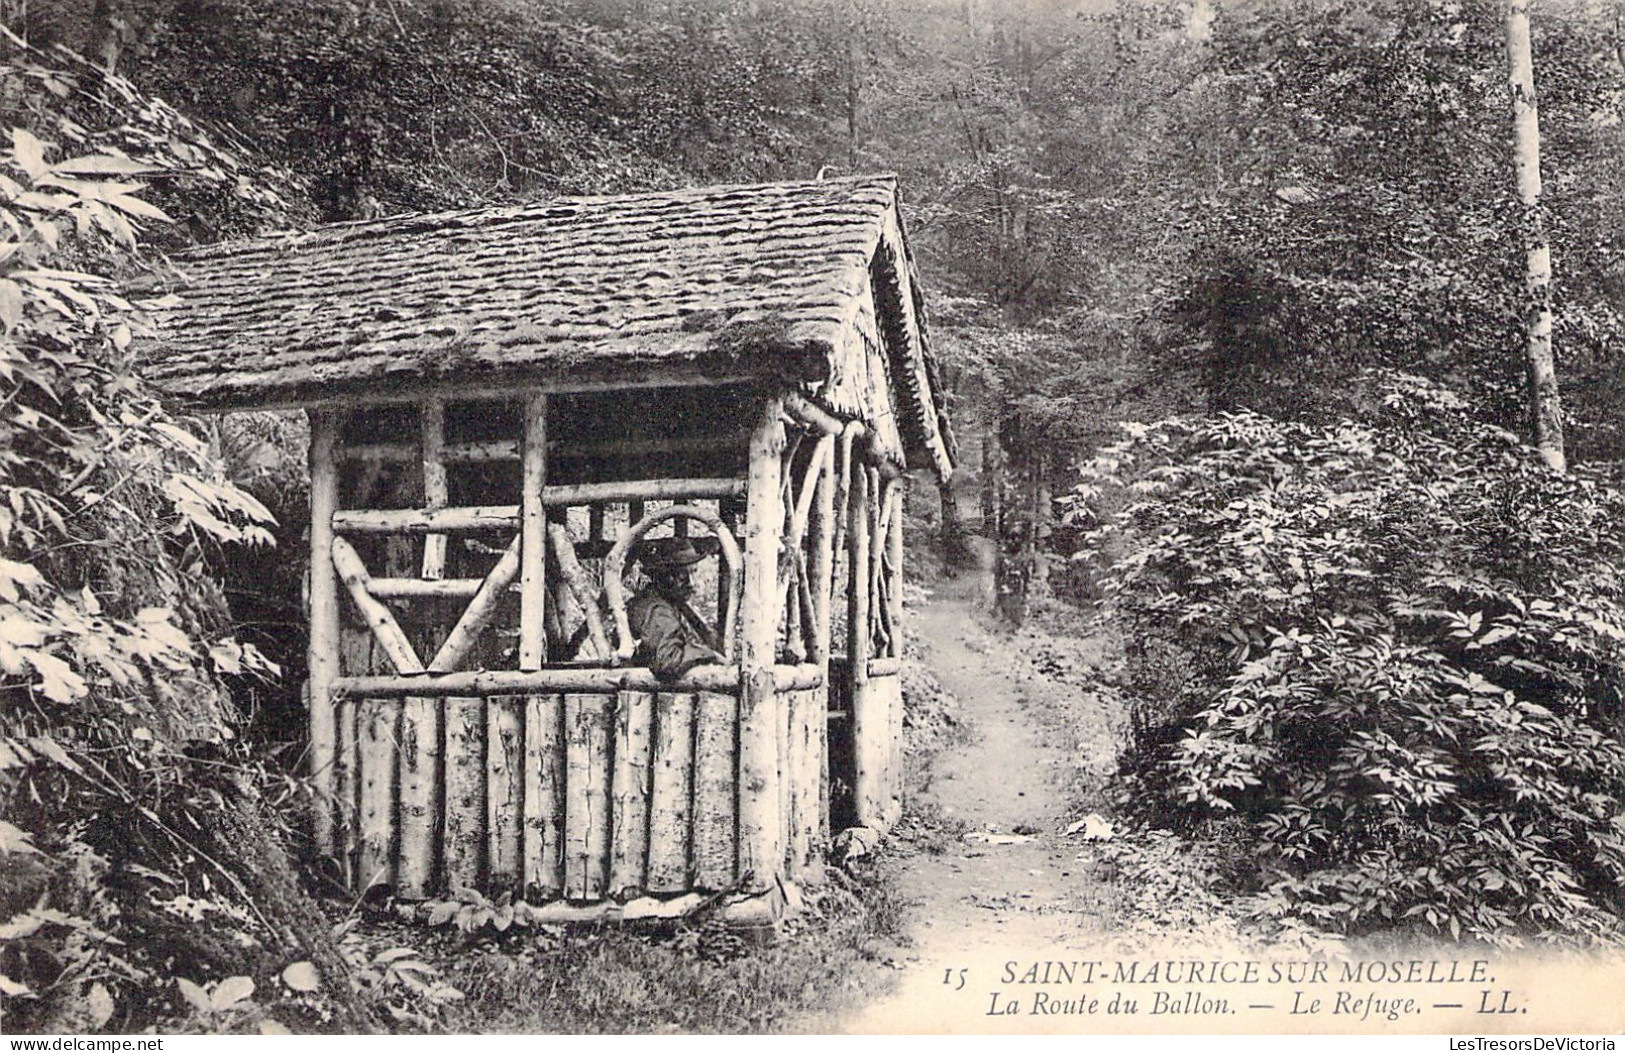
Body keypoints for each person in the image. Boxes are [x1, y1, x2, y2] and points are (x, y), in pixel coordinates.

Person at [627, 537, 725, 681]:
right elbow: (668, 660)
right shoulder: (657, 610)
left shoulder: (657, 602)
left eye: (693, 574)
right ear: (667, 576)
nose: (692, 583)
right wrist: (709, 655)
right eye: (684, 577)